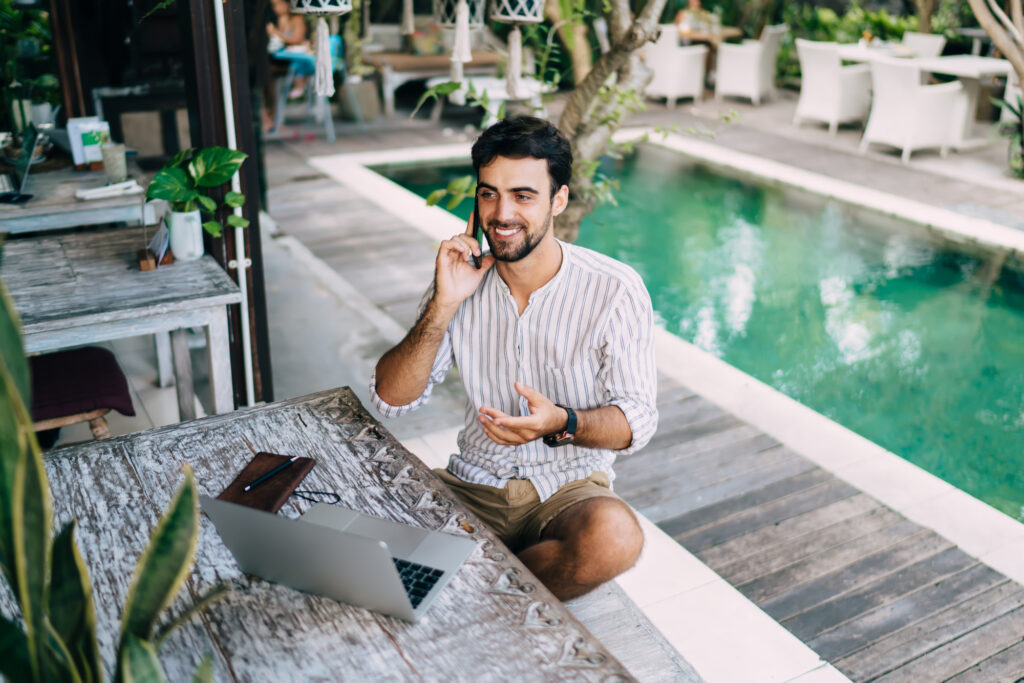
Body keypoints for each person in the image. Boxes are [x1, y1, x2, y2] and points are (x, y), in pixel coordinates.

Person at [371, 117, 658, 601]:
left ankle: (472, 591)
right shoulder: (459, 281)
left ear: (558, 200)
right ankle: (500, 595)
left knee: (616, 538)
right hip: (472, 486)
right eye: (488, 194)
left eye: (523, 195)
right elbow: (391, 399)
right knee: (362, 528)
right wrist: (444, 303)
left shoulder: (614, 288)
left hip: (566, 489)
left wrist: (561, 422)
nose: (501, 213)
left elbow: (637, 421)